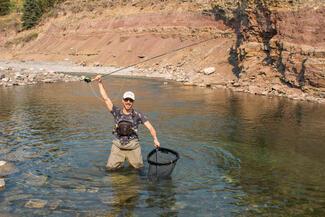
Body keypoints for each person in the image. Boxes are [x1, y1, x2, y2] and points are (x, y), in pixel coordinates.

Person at [94, 75, 160, 170]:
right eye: (126, 100)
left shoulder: (138, 115)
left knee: (138, 170)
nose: (128, 102)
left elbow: (150, 127)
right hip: (117, 145)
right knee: (110, 170)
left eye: (131, 100)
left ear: (133, 102)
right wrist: (100, 83)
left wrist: (155, 139)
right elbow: (106, 99)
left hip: (133, 146)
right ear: (123, 101)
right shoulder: (116, 111)